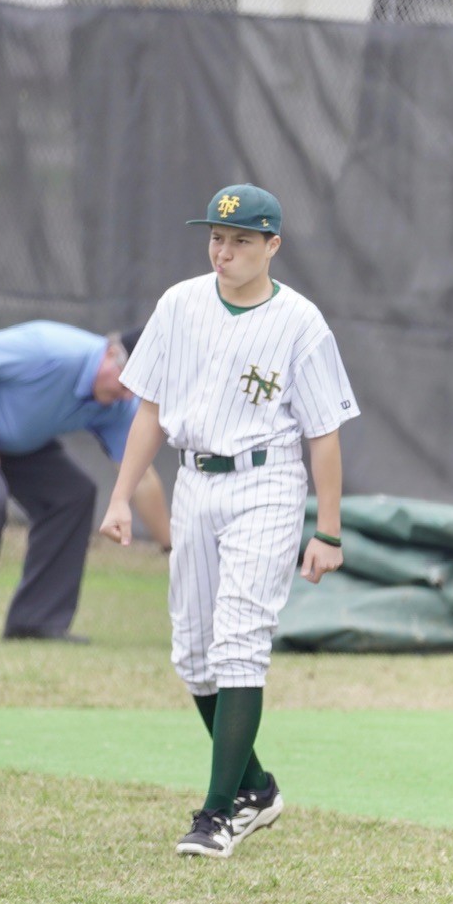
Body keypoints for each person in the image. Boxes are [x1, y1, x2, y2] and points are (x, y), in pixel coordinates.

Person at [97, 185, 358, 858]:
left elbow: (323, 432)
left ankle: (218, 813)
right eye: (216, 236)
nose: (225, 250)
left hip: (266, 483)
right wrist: (122, 496)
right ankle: (257, 787)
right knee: (192, 650)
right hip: (195, 481)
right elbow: (150, 409)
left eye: (242, 240)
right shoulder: (180, 304)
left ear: (273, 245)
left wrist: (326, 529)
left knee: (240, 637)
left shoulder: (300, 322)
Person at [0, 320, 168, 640]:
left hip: (17, 445)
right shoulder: (51, 350)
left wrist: (171, 546)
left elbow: (141, 479)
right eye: (126, 385)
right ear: (112, 353)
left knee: (71, 495)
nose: (127, 398)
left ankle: (36, 622)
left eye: (136, 392)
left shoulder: (119, 405)